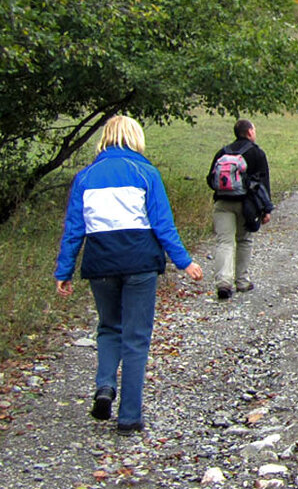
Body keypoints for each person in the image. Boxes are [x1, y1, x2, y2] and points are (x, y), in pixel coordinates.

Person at [54, 115, 203, 436]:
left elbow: (73, 230)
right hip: (139, 263)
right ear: (135, 138)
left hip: (100, 262)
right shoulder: (146, 173)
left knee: (109, 328)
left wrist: (64, 270)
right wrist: (184, 261)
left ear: (106, 138)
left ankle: (105, 385)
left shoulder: (85, 177)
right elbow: (163, 224)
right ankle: (129, 417)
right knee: (136, 338)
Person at [207, 119, 271, 300]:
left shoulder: (223, 152)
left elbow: (210, 180)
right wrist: (266, 209)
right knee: (244, 240)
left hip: (222, 203)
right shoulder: (257, 153)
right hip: (247, 205)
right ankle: (242, 282)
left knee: (224, 242)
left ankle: (223, 283)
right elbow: (264, 183)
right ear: (250, 132)